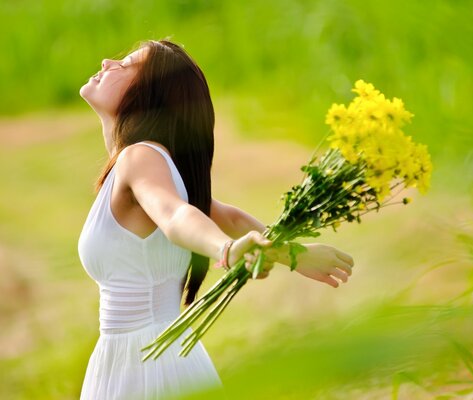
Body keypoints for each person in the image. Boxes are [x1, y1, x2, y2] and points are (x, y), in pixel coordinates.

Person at [77, 39, 354, 399]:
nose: (106, 62)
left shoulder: (140, 158)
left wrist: (226, 250)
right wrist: (294, 254)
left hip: (144, 362)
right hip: (149, 356)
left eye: (126, 65)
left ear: (147, 96)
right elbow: (227, 216)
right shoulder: (144, 162)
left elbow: (177, 216)